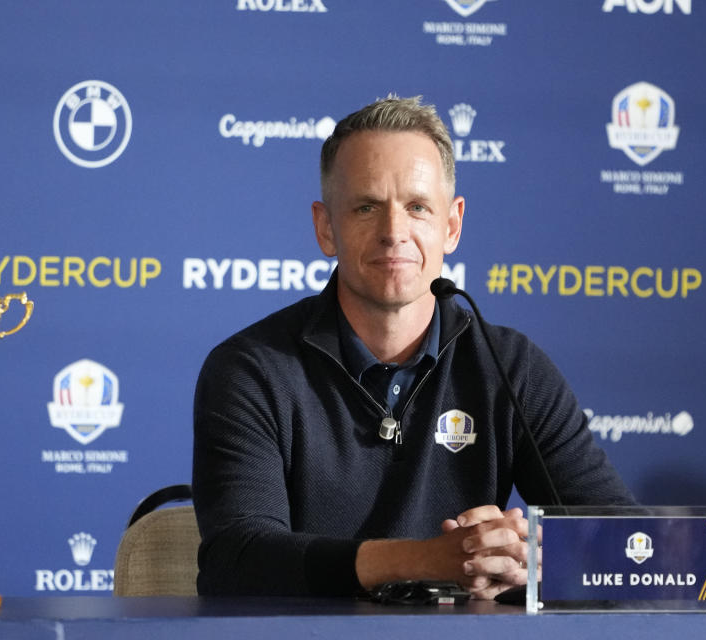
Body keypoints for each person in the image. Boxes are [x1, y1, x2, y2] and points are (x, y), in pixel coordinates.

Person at [192, 96, 634, 600]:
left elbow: (625, 546)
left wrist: (527, 556)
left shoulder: (511, 367)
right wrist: (422, 560)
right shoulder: (251, 368)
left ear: (452, 225)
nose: (393, 233)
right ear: (324, 228)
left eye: (417, 207)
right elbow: (236, 560)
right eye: (365, 207)